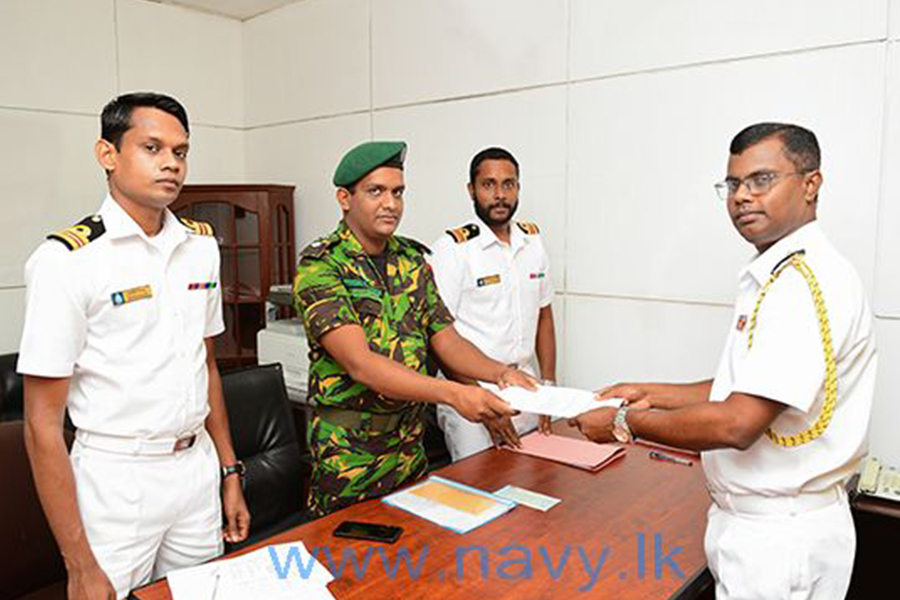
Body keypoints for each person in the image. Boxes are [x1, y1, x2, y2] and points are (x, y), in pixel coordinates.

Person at [574, 123, 876, 599]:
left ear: (811, 184)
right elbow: (751, 386)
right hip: (771, 528)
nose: (742, 197)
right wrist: (651, 393)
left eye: (761, 180)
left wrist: (623, 422)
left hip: (778, 541)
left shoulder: (802, 281)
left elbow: (738, 422)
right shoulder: (784, 271)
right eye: (733, 184)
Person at [18, 93, 250, 600]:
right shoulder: (67, 261)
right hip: (117, 480)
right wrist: (77, 563)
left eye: (181, 151)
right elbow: (40, 424)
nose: (171, 163)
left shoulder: (200, 247)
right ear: (107, 154)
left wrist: (228, 470)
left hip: (195, 469)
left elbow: (205, 365)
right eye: (152, 147)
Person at [293, 140, 538, 516]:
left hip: (409, 448)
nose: (391, 203)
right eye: (376, 191)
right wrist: (455, 394)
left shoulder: (411, 260)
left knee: (416, 554)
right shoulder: (321, 266)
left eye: (398, 192)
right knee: (349, 564)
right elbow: (361, 364)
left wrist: (501, 372)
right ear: (344, 198)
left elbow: (446, 339)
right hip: (350, 455)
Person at [429, 147, 557, 461]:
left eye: (508, 184)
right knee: (480, 491)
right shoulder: (453, 250)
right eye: (489, 185)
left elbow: (544, 316)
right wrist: (481, 403)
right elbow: (437, 337)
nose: (500, 195)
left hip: (524, 388)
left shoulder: (532, 242)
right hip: (469, 394)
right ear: (471, 190)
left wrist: (549, 386)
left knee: (531, 487)